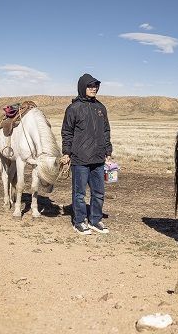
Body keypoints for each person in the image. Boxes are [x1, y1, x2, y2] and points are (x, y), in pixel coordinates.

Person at [61, 74, 113, 235]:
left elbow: (106, 131)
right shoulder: (73, 108)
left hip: (98, 158)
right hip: (80, 158)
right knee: (79, 194)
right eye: (90, 86)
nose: (94, 88)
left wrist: (108, 151)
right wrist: (66, 152)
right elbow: (67, 132)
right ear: (82, 87)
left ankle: (95, 220)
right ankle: (79, 222)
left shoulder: (100, 108)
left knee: (99, 193)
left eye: (95, 86)